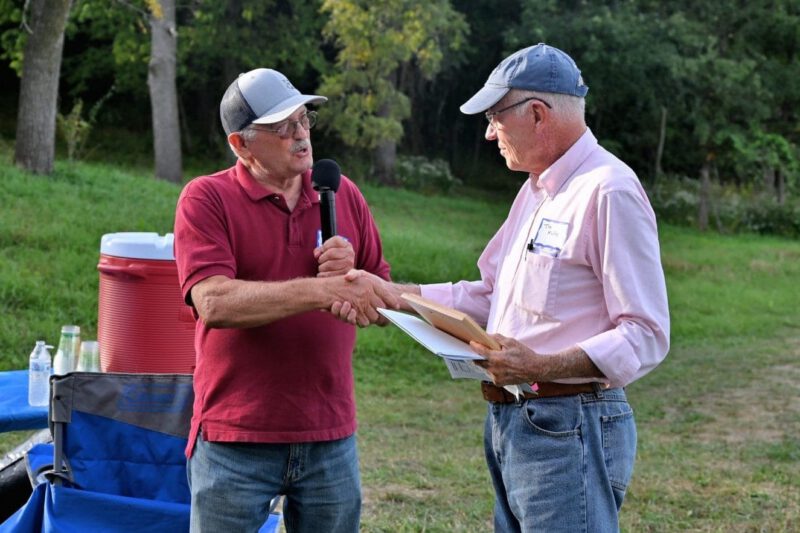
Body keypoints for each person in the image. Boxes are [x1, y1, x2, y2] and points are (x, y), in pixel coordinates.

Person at [345, 43, 670, 531]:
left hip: (570, 423)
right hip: (517, 422)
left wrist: (542, 365)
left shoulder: (609, 189)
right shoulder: (536, 190)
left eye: (496, 117)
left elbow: (646, 332)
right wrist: (397, 294)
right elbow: (491, 296)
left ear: (537, 114)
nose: (489, 132)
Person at [173, 67, 397, 533]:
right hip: (236, 436)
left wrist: (355, 280)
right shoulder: (206, 198)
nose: (300, 135)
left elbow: (381, 297)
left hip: (329, 434)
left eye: (303, 120)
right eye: (281, 127)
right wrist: (323, 289)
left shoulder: (342, 192)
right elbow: (214, 301)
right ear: (240, 145)